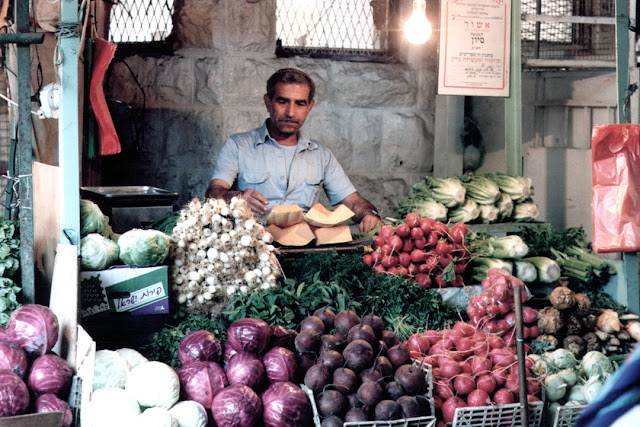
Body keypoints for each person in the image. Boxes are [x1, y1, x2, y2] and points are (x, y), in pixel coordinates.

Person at [205, 68, 384, 232]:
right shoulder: (237, 145)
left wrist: (370, 214)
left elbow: (353, 202)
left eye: (300, 104)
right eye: (283, 101)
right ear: (268, 103)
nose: (290, 112)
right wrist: (237, 197)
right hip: (252, 246)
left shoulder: (321, 155)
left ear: (309, 107)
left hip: (306, 250)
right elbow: (213, 193)